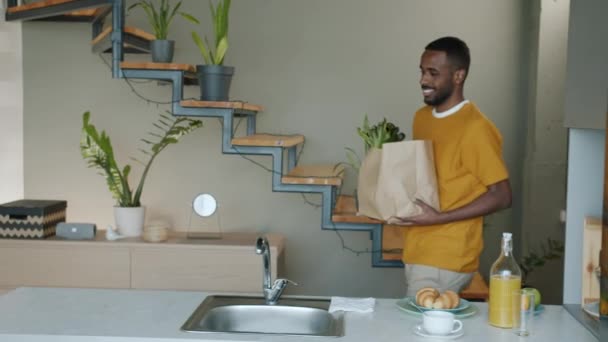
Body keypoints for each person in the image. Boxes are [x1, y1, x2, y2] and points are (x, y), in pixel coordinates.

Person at [391, 37, 512, 296]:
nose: (423, 80)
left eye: (433, 73)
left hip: (447, 257)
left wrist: (439, 218)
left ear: (458, 76)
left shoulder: (476, 128)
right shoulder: (421, 118)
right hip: (418, 249)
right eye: (422, 71)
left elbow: (502, 195)